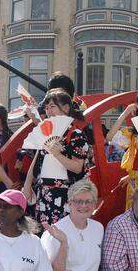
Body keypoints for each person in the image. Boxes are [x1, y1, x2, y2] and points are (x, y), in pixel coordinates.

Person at [23, 90, 92, 229]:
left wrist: (58, 155)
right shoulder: (47, 131)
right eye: (47, 107)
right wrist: (27, 184)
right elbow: (37, 159)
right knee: (43, 233)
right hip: (44, 191)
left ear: (66, 108)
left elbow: (78, 167)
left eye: (53, 106)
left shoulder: (76, 134)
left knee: (63, 232)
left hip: (66, 193)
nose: (49, 111)